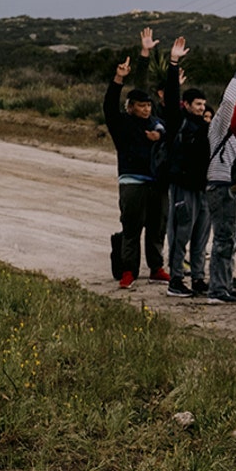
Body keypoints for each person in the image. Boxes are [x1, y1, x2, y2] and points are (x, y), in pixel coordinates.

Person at [104, 31, 184, 288]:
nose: (146, 108)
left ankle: (156, 267)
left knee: (157, 227)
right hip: (132, 181)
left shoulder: (158, 123)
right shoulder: (122, 124)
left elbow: (165, 100)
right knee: (131, 228)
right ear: (130, 107)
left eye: (148, 105)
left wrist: (159, 134)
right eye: (140, 105)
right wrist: (121, 77)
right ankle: (128, 271)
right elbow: (110, 105)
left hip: (157, 182)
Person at [204, 53, 236, 305]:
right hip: (220, 186)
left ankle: (222, 285)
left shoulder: (234, 132)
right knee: (224, 238)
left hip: (230, 187)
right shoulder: (219, 126)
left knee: (232, 239)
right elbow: (227, 100)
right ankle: (217, 289)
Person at [164, 85, 211, 298]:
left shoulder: (206, 126)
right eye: (198, 104)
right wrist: (173, 65)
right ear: (187, 104)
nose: (202, 108)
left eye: (203, 104)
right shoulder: (178, 123)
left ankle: (198, 278)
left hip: (203, 188)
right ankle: (175, 279)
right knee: (181, 232)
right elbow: (172, 100)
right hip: (183, 186)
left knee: (201, 236)